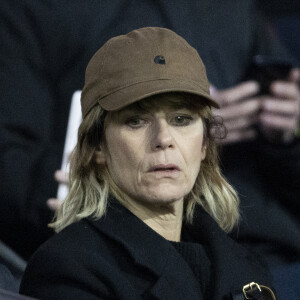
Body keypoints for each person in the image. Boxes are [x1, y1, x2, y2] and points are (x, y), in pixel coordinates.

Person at [19, 27, 276, 300]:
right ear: (98, 146)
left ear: (204, 144)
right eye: (135, 121)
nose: (163, 139)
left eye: (181, 119)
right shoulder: (68, 271)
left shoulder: (249, 271)